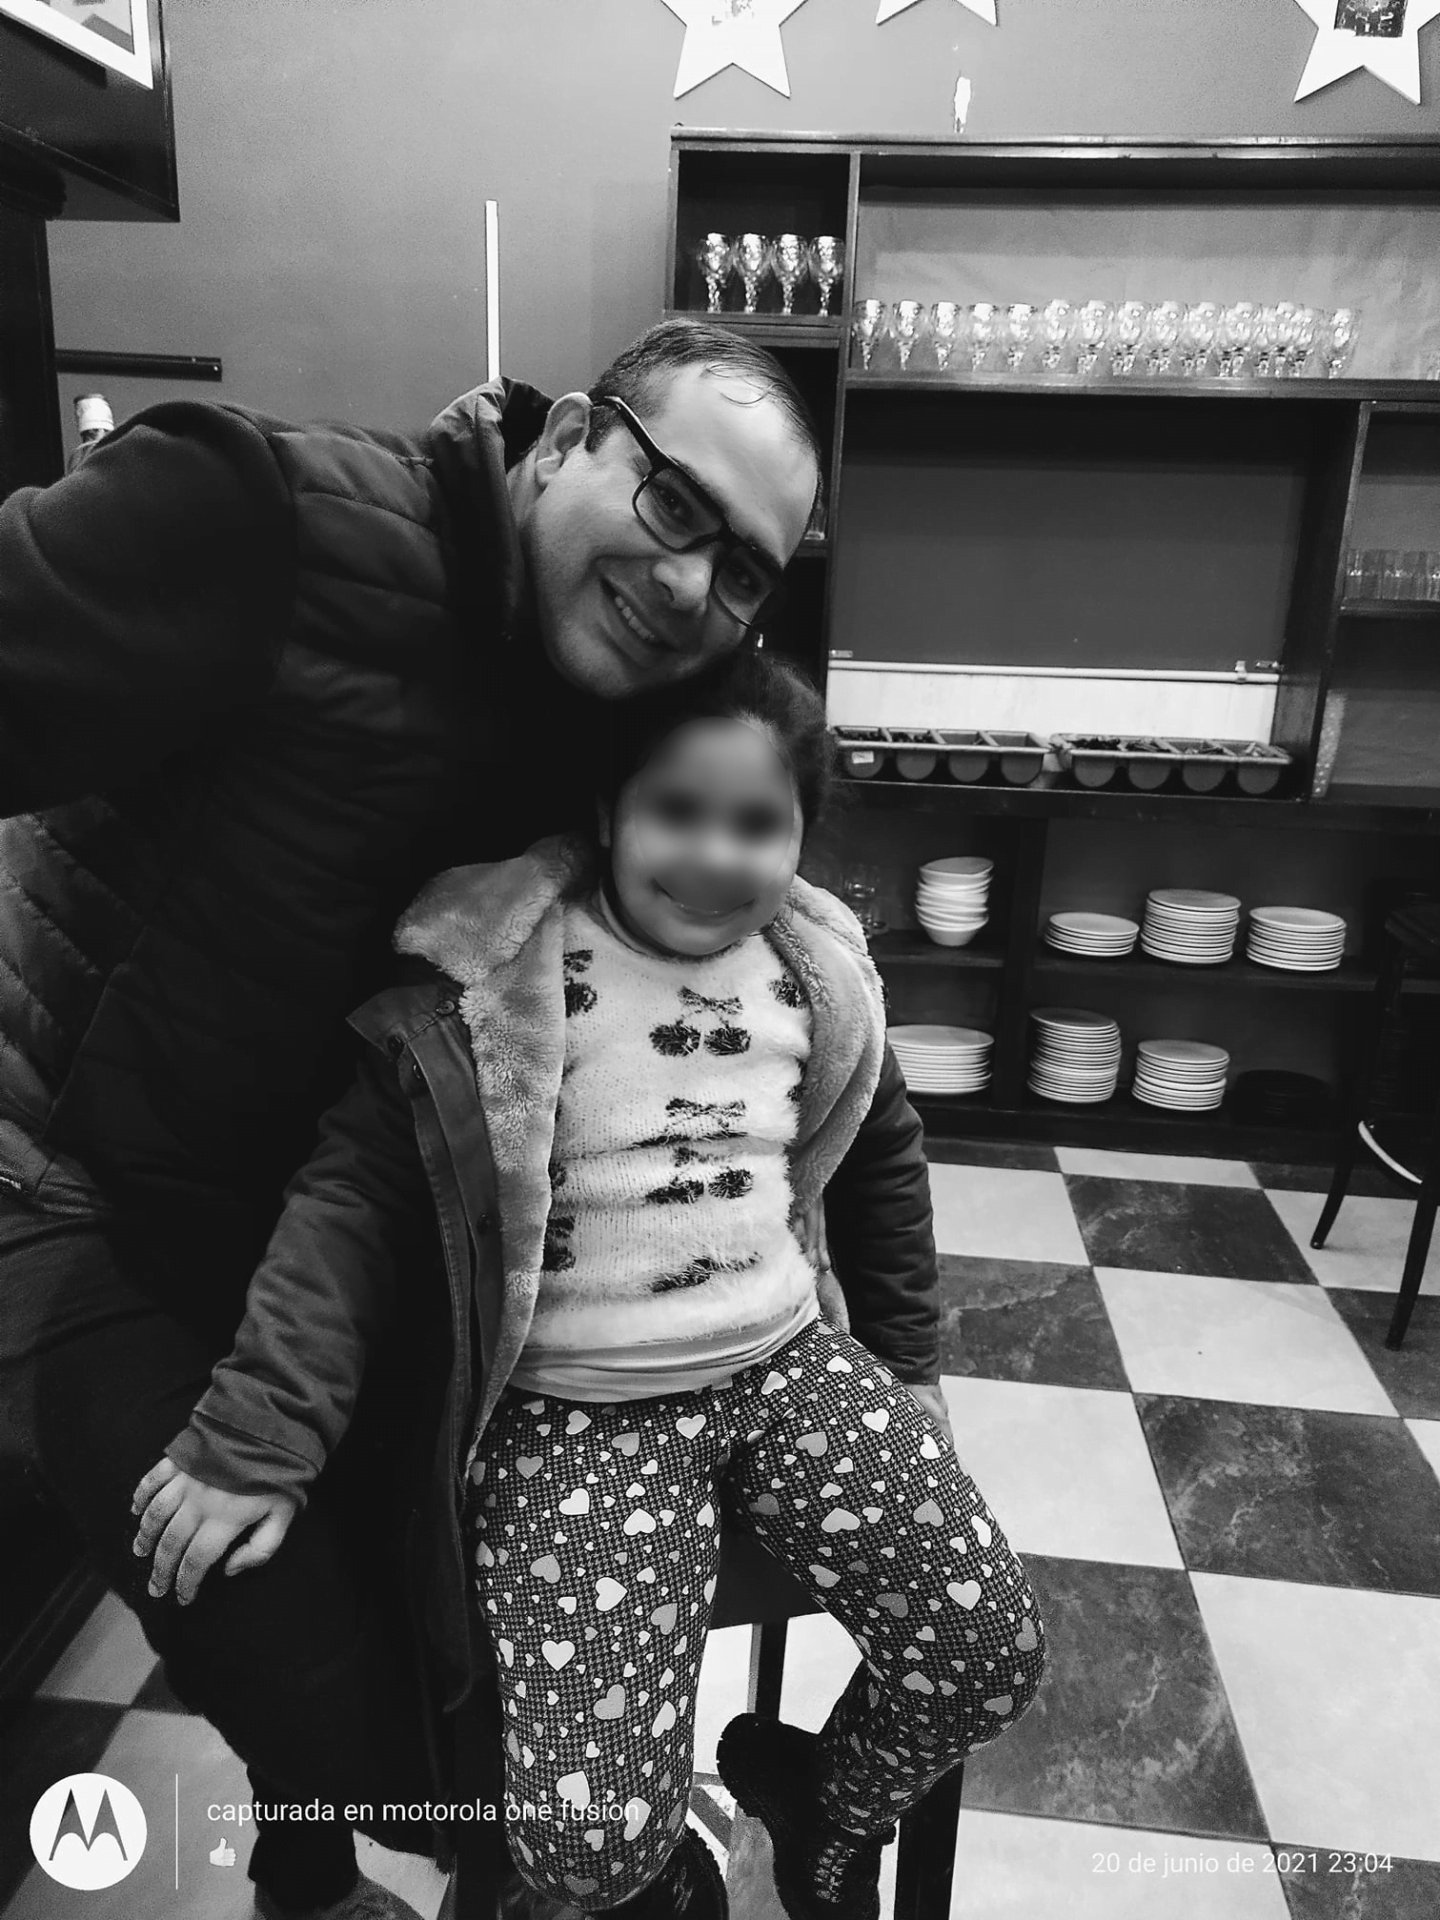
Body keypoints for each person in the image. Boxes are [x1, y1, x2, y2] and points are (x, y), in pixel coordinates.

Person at [0, 321, 827, 1920]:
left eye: (742, 571)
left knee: (473, 1611)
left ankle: (311, 1876)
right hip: (67, 1181)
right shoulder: (259, 519)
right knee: (361, 1707)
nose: (687, 586)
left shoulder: (619, 697)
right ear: (568, 438)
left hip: (319, 1204)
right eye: (672, 503)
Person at [131, 652, 1048, 1920]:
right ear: (611, 813)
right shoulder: (489, 980)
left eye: (758, 823)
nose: (716, 853)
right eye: (679, 811)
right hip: (574, 1418)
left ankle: (820, 1802)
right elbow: (348, 1209)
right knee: (585, 1854)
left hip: (790, 1370)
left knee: (987, 1652)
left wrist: (907, 1365)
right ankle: (664, 1879)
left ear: (800, 839)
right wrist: (260, 1430)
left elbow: (885, 1157)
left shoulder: (816, 972)